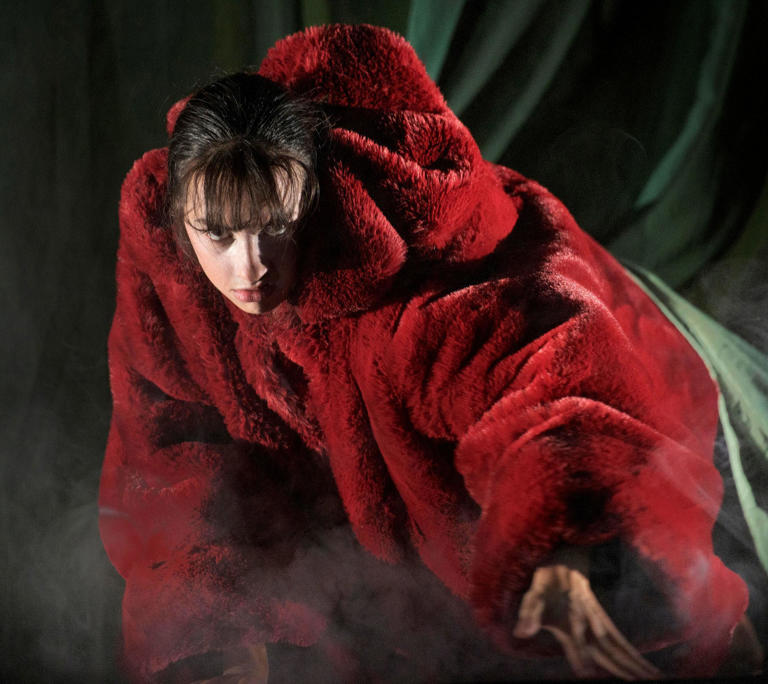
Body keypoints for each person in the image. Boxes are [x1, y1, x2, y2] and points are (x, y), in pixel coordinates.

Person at [99, 24, 756, 683]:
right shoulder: (170, 273)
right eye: (217, 235)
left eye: (275, 227)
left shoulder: (422, 269)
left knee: (694, 604)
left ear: (314, 202)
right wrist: (220, 629)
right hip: (398, 514)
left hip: (644, 358)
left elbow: (557, 374)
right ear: (180, 218)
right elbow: (167, 448)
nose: (250, 268)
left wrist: (566, 538)